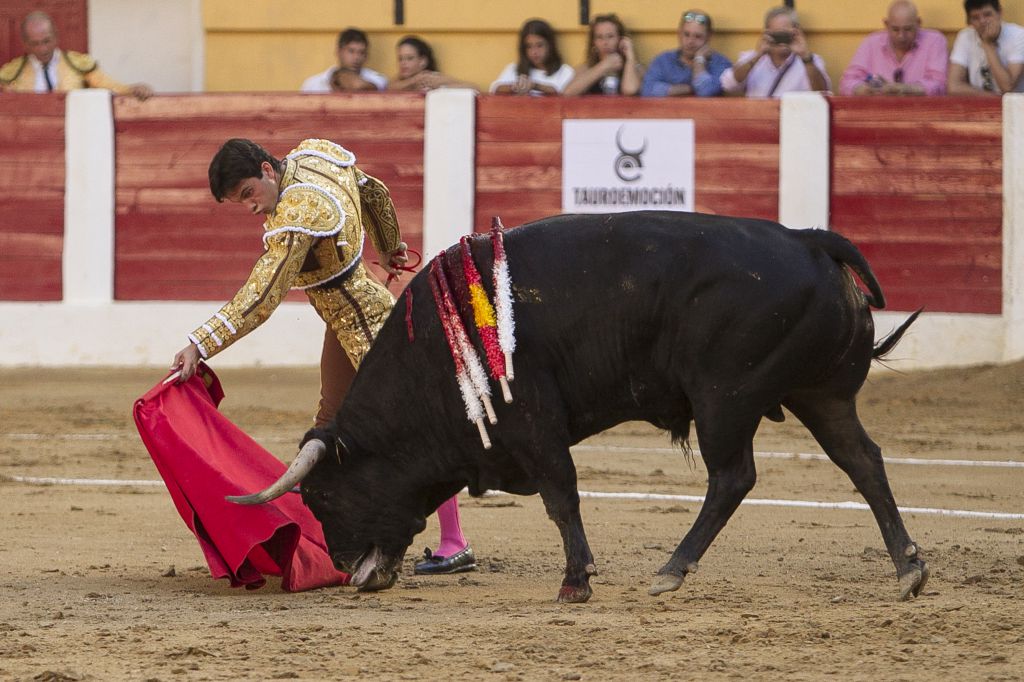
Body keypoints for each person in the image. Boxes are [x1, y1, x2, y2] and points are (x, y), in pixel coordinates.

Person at [172, 138, 477, 576]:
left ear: (267, 170)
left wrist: (200, 343)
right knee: (327, 424)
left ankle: (450, 542)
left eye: (248, 194)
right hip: (348, 317)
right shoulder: (314, 156)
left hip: (370, 329)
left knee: (414, 429)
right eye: (240, 202)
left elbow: (261, 296)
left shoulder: (298, 214)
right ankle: (320, 537)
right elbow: (373, 192)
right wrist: (390, 244)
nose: (251, 209)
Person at [0, 11, 151, 99]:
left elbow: (109, 86)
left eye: (47, 41)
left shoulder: (78, 64)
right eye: (35, 43)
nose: (42, 49)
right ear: (25, 44)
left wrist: (132, 90)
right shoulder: (11, 72)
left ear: (56, 37)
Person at [839, 0, 948, 96]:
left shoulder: (934, 41)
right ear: (886, 24)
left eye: (908, 29)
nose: (901, 36)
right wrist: (863, 89)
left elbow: (940, 85)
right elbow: (847, 82)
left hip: (921, 113)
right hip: (877, 112)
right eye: (895, 29)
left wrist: (906, 89)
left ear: (918, 23)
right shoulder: (871, 42)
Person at [720, 7, 830, 97]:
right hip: (759, 121)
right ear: (767, 33)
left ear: (796, 33)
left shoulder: (811, 61)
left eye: (785, 35)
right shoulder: (751, 58)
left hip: (795, 121)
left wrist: (805, 56)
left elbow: (823, 93)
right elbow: (728, 84)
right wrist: (758, 55)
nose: (782, 41)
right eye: (777, 35)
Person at [641, 9, 731, 97]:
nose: (690, 41)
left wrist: (699, 60)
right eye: (686, 34)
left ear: (709, 36)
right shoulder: (664, 61)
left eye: (698, 36)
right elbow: (647, 90)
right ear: (679, 34)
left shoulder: (720, 63)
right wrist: (690, 88)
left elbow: (705, 91)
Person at [948, 0, 1024, 95]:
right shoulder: (965, 36)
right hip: (981, 104)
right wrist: (990, 97)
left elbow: (1007, 87)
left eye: (987, 15)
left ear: (999, 12)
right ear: (969, 21)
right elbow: (954, 87)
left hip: (1014, 106)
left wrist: (988, 45)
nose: (982, 21)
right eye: (975, 18)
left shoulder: (1019, 35)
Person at [563, 13, 645, 96]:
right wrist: (604, 66)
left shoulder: (635, 68)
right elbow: (568, 92)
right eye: (599, 37)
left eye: (610, 36)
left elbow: (630, 90)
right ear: (593, 42)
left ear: (621, 39)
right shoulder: (587, 68)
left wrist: (630, 57)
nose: (605, 42)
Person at [490, 19, 575, 95]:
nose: (534, 52)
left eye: (539, 45)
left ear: (550, 45)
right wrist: (515, 86)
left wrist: (535, 86)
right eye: (529, 46)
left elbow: (562, 93)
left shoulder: (564, 71)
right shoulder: (514, 69)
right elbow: (495, 88)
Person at [301, 28, 388, 93]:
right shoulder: (313, 84)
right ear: (339, 52)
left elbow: (360, 86)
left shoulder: (377, 79)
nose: (356, 57)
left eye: (361, 52)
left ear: (366, 56)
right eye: (351, 51)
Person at [388, 35, 478, 91]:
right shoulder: (397, 82)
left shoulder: (432, 78)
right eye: (400, 59)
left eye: (409, 58)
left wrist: (441, 87)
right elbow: (389, 89)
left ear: (422, 61)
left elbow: (473, 87)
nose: (403, 63)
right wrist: (415, 80)